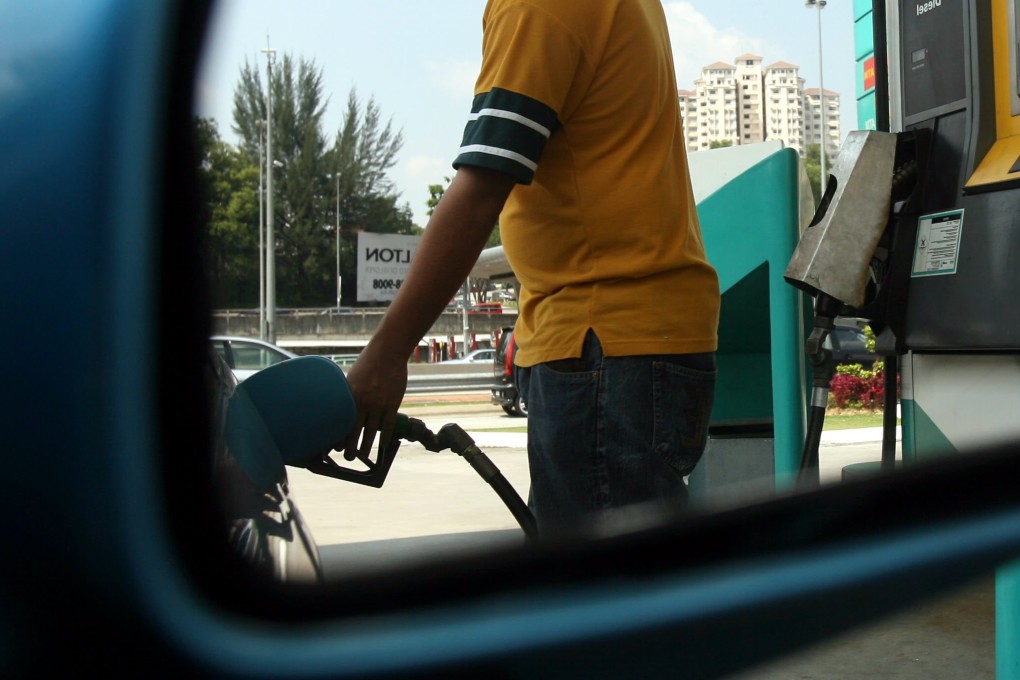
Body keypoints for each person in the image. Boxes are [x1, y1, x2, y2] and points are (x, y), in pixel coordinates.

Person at [344, 0, 720, 535]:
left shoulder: (538, 5)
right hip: (638, 337)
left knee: (601, 605)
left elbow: (481, 189)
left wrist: (386, 356)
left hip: (602, 341)